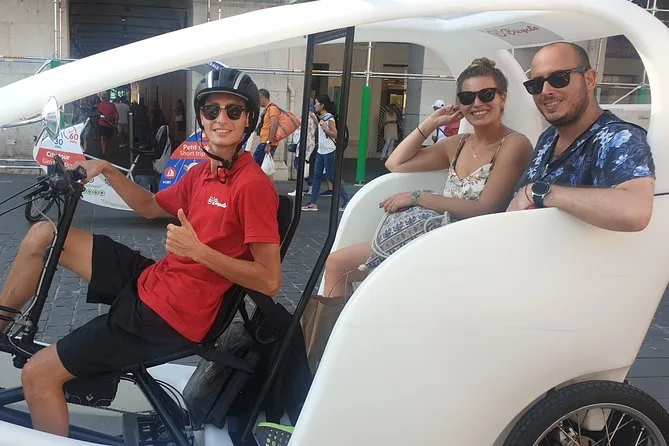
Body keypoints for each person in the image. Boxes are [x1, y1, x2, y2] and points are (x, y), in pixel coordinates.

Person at [0, 68, 282, 438]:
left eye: (233, 111)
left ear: (249, 120)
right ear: (201, 116)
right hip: (156, 280)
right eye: (212, 110)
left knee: (37, 375)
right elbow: (149, 206)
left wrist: (198, 252)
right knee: (45, 236)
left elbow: (270, 280)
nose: (221, 119)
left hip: (171, 315)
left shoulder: (252, 186)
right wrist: (105, 169)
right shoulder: (201, 173)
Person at [301, 58, 534, 371]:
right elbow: (395, 162)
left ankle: (333, 360)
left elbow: (485, 209)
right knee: (337, 263)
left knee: (357, 273)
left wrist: (417, 197)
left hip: (472, 247)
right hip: (435, 236)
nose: (477, 103)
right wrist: (430, 124)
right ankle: (325, 358)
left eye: (486, 95)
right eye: (467, 97)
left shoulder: (514, 144)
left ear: (502, 98)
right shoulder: (458, 143)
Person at [507, 42, 655, 232]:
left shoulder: (619, 137)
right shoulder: (549, 136)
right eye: (536, 85)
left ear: (589, 79)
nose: (545, 91)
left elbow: (634, 211)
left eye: (559, 78)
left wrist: (538, 192)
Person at [301, 94, 351, 212]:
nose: (315, 105)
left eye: (316, 103)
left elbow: (335, 134)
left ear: (322, 105)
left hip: (329, 151)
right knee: (317, 176)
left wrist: (324, 128)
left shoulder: (330, 118)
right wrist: (316, 120)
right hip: (321, 151)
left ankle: (346, 200)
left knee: (331, 177)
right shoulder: (323, 118)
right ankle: (312, 203)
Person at [253, 88, 280, 166]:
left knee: (255, 165)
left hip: (267, 142)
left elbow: (274, 125)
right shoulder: (268, 109)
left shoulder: (272, 108)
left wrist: (269, 143)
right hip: (265, 142)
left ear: (262, 97)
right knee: (262, 166)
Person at [96, 92, 117, 157]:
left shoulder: (102, 105)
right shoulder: (111, 105)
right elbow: (116, 115)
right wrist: (115, 123)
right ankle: (104, 151)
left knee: (105, 138)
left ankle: (105, 151)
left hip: (106, 124)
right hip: (106, 124)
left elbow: (97, 114)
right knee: (105, 138)